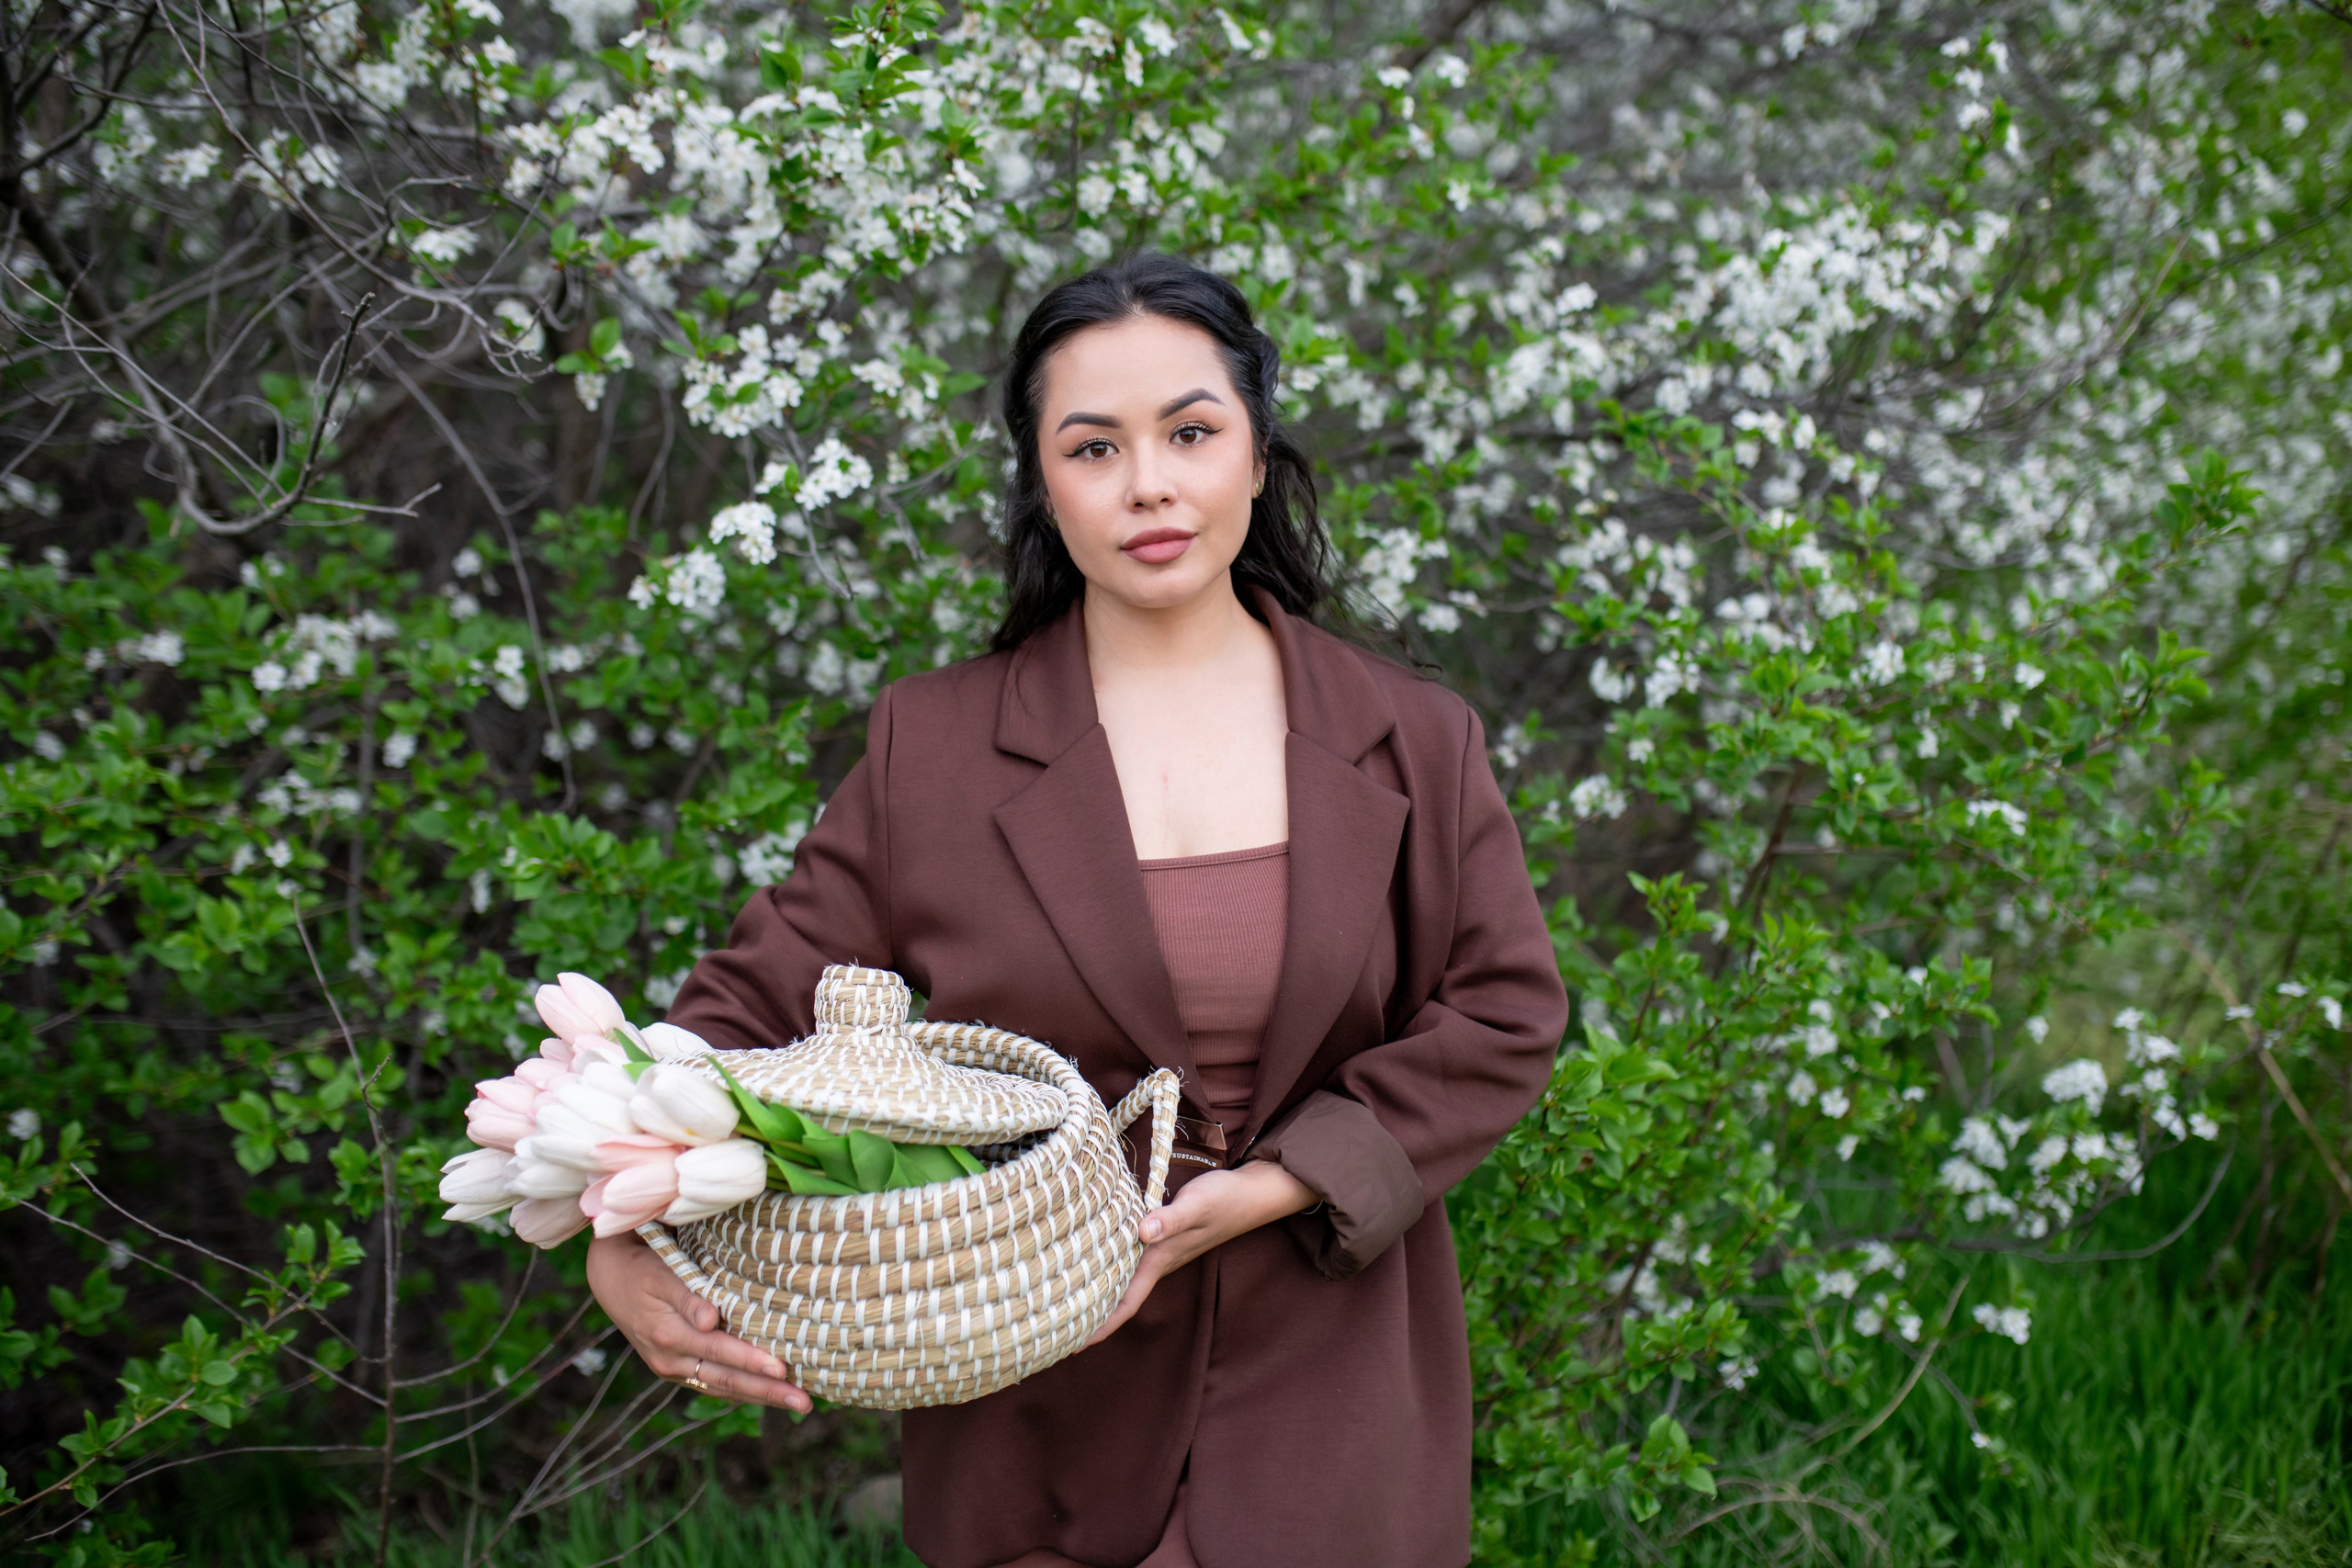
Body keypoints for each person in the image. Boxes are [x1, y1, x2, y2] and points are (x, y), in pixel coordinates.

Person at [582, 253, 1568, 1568]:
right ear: (1044, 486)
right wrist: (623, 1236)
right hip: (1034, 1390)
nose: (1149, 483)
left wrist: (1281, 1182)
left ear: (1258, 456)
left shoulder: (1410, 738)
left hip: (1335, 1376)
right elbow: (727, 1026)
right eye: (1093, 447)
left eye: (1191, 432)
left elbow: (1503, 1013)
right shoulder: (931, 750)